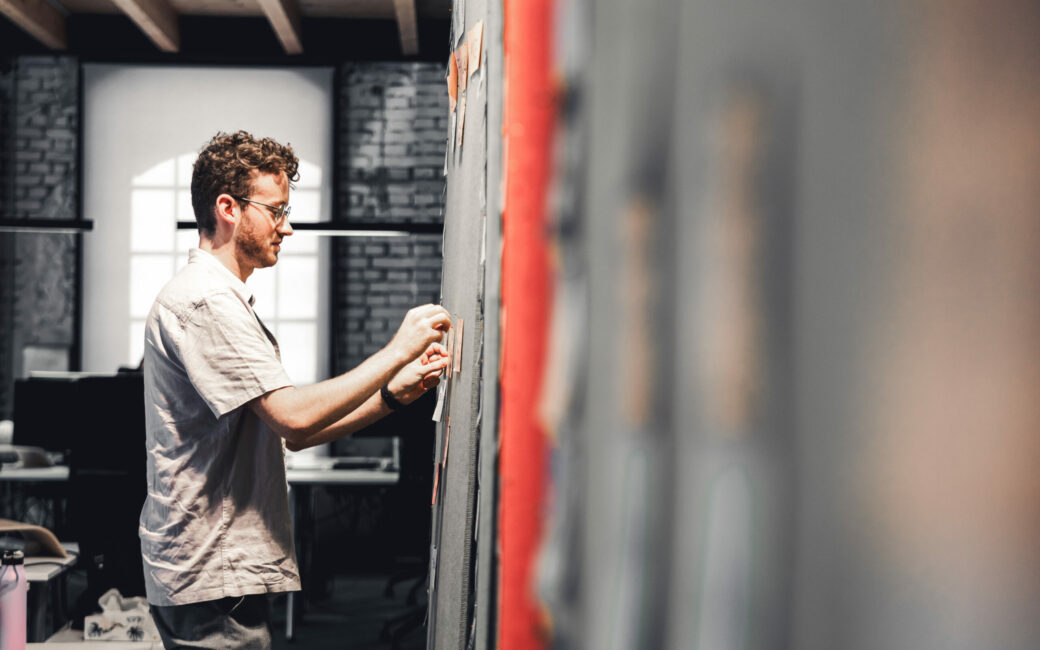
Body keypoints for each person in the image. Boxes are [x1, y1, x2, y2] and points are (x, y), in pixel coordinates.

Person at [138, 131, 450, 649]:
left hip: (218, 572)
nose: (287, 226)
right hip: (213, 573)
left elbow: (293, 437)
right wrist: (397, 351)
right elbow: (294, 417)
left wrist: (391, 396)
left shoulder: (222, 300)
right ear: (228, 208)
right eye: (276, 210)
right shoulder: (206, 303)